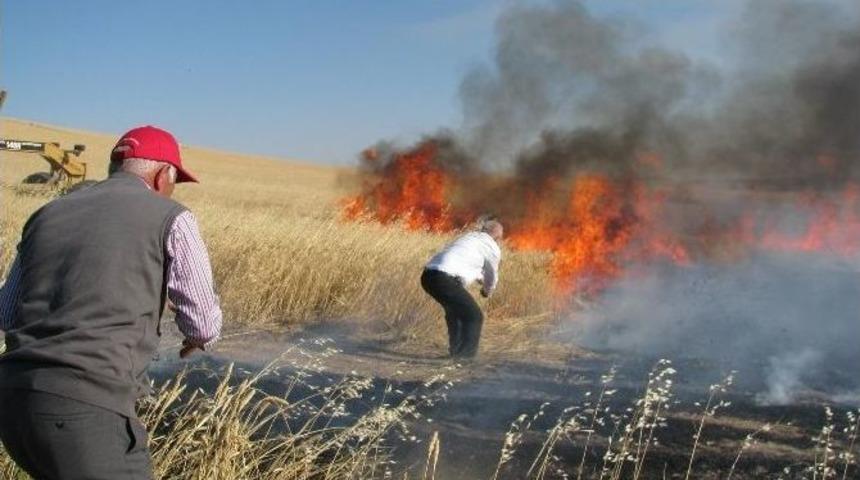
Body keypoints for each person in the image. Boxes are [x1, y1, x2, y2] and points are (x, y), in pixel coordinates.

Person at [0, 125, 222, 479]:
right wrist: (198, 337)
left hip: (13, 404)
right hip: (86, 409)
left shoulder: (46, 213)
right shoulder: (174, 218)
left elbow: (7, 314)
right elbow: (204, 324)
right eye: (175, 180)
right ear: (163, 175)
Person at [421, 218, 503, 359]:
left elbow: (464, 263)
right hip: (445, 279)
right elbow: (491, 276)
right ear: (498, 237)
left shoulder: (468, 237)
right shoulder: (491, 247)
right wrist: (486, 292)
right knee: (474, 316)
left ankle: (455, 354)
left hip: (428, 276)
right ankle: (465, 359)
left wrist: (478, 278)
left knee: (454, 312)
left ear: (483, 230)